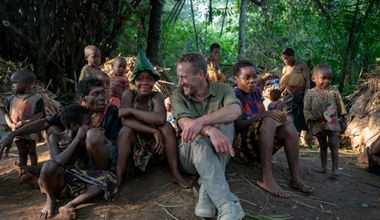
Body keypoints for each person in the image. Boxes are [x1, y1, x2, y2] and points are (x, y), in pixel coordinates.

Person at [170, 53, 244, 220]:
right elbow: (183, 122)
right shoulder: (178, 94)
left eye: (184, 77)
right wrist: (209, 130)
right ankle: (227, 203)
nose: (180, 82)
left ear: (201, 75)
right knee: (195, 134)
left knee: (226, 123)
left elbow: (235, 111)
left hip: (217, 154)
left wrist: (202, 120)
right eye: (179, 77)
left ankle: (207, 187)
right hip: (189, 156)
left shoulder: (224, 89)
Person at [232, 60, 314, 198]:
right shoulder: (234, 94)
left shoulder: (256, 92)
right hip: (241, 149)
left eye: (254, 76)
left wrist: (275, 117)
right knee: (268, 120)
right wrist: (263, 116)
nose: (252, 81)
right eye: (247, 78)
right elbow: (237, 124)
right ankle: (266, 177)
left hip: (256, 148)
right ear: (236, 79)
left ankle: (295, 177)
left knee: (288, 126)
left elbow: (263, 118)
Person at [116, 51, 191, 190]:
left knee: (167, 127)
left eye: (149, 79)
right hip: (136, 147)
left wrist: (131, 111)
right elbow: (125, 121)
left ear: (154, 82)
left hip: (156, 148)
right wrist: (152, 130)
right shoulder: (129, 94)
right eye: (140, 79)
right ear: (134, 81)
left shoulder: (157, 96)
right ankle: (119, 177)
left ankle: (175, 173)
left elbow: (159, 118)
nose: (145, 82)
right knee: (125, 131)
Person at [38, 104, 117, 219]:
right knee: (48, 166)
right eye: (87, 123)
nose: (90, 126)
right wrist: (77, 139)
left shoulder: (86, 138)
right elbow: (58, 161)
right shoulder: (55, 137)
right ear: (74, 125)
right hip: (60, 183)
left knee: (108, 178)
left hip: (82, 183)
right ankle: (51, 199)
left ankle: (71, 205)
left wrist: (82, 140)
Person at [304, 64, 347, 177]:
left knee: (333, 144)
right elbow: (306, 109)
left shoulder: (334, 91)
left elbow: (341, 104)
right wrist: (312, 117)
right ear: (314, 78)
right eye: (324, 78)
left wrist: (344, 118)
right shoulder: (310, 93)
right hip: (318, 124)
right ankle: (323, 168)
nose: (327, 81)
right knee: (323, 145)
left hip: (331, 122)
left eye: (330, 78)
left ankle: (335, 169)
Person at [4, 69, 45, 174]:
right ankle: (23, 171)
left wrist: (26, 122)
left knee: (32, 151)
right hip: (16, 130)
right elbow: (6, 114)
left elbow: (40, 114)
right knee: (21, 152)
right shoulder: (10, 99)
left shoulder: (37, 98)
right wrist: (10, 124)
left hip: (31, 130)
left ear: (26, 83)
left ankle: (34, 170)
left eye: (15, 83)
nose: (12, 86)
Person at [280, 48, 310, 133]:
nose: (285, 61)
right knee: (288, 116)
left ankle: (297, 135)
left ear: (292, 56)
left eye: (287, 58)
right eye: (283, 59)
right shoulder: (285, 69)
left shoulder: (302, 65)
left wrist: (306, 95)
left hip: (300, 95)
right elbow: (283, 85)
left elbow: (307, 81)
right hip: (288, 96)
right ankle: (290, 135)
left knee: (299, 117)